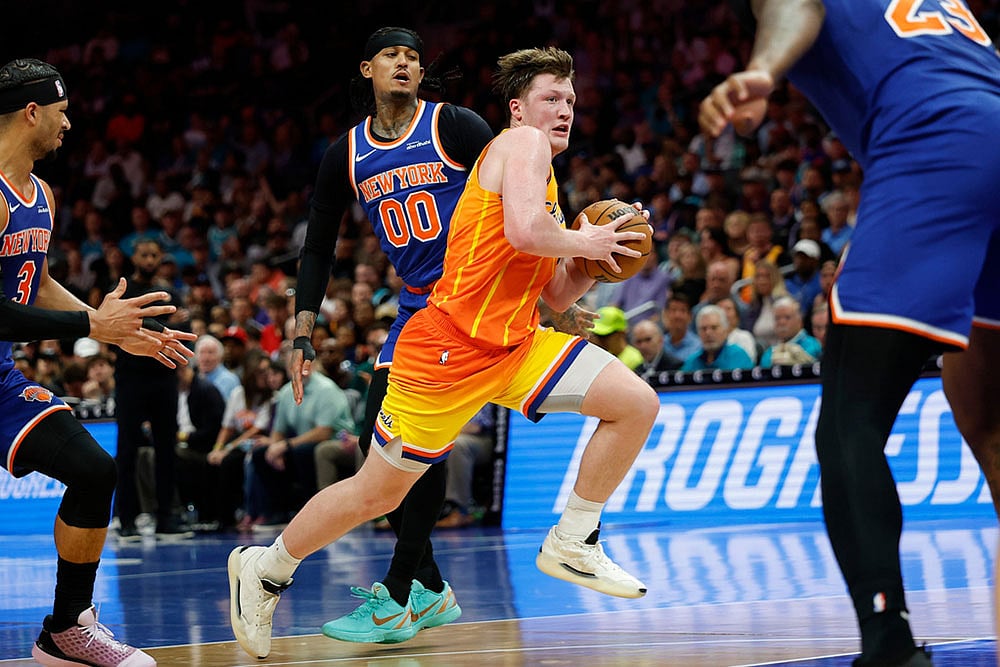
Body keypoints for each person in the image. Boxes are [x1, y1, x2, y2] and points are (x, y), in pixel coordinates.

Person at [229, 46, 658, 660]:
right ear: (518, 109)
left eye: (570, 99)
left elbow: (553, 287)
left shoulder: (542, 179)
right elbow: (524, 233)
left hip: (513, 345)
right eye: (550, 98)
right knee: (378, 494)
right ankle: (265, 569)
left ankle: (574, 538)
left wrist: (597, 261)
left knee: (635, 403)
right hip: (446, 353)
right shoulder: (522, 146)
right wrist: (583, 237)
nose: (563, 109)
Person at [700, 1, 1000, 664]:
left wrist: (760, 70)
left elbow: (792, 7)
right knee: (990, 422)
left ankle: (887, 637)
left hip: (935, 143)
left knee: (849, 421)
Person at [0, 57, 194, 667]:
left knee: (93, 470)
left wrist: (116, 330)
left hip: (1, 381)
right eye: (61, 112)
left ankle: (64, 631)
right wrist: (92, 323)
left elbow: (34, 280)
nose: (68, 124)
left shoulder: (40, 194)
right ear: (32, 111)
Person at [114, 238, 193, 540]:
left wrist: (185, 369)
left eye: (154, 255)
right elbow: (119, 329)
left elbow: (182, 331)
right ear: (134, 257)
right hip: (131, 378)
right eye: (144, 254)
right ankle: (128, 519)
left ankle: (166, 518)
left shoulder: (170, 293)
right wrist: (163, 322)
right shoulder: (124, 292)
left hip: (165, 376)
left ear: (160, 259)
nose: (148, 259)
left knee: (166, 449)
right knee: (127, 450)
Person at [436, 403, 496, 528]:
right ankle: (402, 514)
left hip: (481, 439)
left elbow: (475, 427)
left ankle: (459, 511)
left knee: (458, 445)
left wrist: (442, 432)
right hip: (443, 435)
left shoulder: (482, 386)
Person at [680, 305, 754, 371]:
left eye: (714, 328)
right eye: (703, 328)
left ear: (725, 330)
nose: (708, 333)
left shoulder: (738, 356)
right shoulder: (692, 362)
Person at [758, 296, 822, 367]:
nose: (781, 322)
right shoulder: (769, 353)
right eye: (777, 318)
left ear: (799, 321)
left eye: (787, 317)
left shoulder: (812, 345)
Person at [590, 306, 643, 371]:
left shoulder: (634, 360)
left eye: (604, 335)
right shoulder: (600, 357)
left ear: (621, 333)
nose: (600, 340)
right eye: (596, 335)